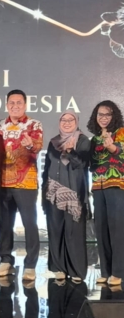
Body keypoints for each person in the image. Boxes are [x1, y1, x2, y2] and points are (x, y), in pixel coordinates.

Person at [0, 89, 43, 281]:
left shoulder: (34, 124)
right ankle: (6, 260)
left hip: (26, 182)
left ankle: (30, 265)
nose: (15, 106)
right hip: (5, 182)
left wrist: (30, 145)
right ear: (7, 105)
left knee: (30, 223)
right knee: (5, 224)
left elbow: (37, 147)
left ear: (25, 104)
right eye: (11, 103)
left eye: (19, 102)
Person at [42, 111, 91, 282]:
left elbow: (83, 164)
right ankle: (58, 268)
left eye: (71, 120)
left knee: (74, 231)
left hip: (74, 193)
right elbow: (46, 168)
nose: (67, 122)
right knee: (55, 230)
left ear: (77, 122)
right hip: (53, 192)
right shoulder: (53, 141)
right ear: (59, 122)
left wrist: (70, 151)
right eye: (64, 119)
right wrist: (44, 192)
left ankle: (76, 270)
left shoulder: (83, 141)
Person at [87, 100, 124, 286]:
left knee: (117, 230)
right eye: (100, 114)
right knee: (101, 229)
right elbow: (92, 163)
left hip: (116, 185)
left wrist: (112, 147)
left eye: (107, 114)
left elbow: (121, 152)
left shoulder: (121, 132)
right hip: (98, 187)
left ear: (114, 116)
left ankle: (118, 272)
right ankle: (105, 271)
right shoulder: (94, 139)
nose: (103, 118)